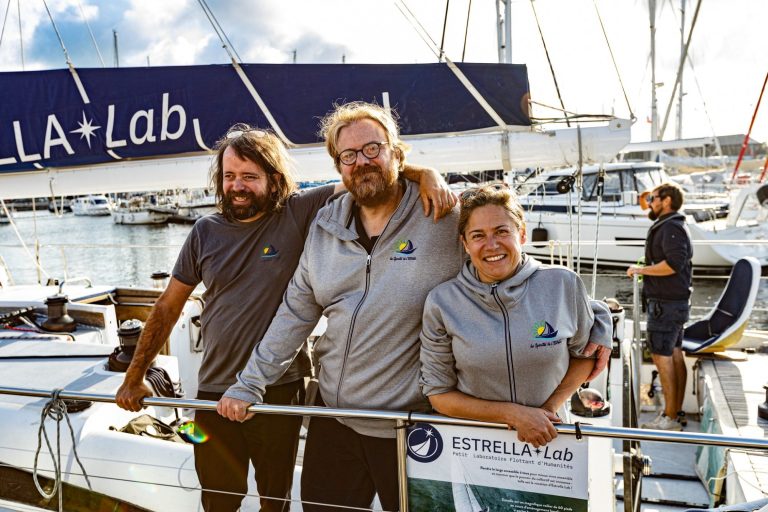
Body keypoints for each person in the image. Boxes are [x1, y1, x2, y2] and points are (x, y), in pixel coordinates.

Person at [218, 102, 613, 510]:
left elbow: (513, 269)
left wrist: (597, 318)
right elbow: (296, 314)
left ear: (396, 153)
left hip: (411, 427)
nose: (362, 162)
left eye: (373, 149)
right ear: (338, 166)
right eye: (349, 155)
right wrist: (251, 382)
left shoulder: (443, 217)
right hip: (333, 417)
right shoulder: (324, 228)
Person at [114, 123, 453, 512]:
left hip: (279, 390)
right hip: (212, 389)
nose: (237, 186)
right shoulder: (204, 231)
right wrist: (134, 376)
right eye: (228, 176)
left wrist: (426, 174)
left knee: (275, 499)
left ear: (274, 181)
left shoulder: (298, 211)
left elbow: (364, 174)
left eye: (249, 177)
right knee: (217, 498)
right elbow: (167, 308)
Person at [419, 185, 613, 448]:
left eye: (502, 231)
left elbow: (584, 356)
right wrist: (515, 415)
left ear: (521, 234)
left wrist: (547, 411)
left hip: (552, 440)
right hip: (473, 446)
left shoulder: (563, 283)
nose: (491, 245)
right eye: (478, 235)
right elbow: (439, 395)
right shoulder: (442, 302)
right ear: (465, 244)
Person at [627, 182, 692, 431]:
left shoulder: (671, 228)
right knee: (674, 354)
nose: (650, 202)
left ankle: (670, 417)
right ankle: (674, 413)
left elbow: (674, 264)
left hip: (666, 304)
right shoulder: (675, 225)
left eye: (653, 198)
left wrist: (641, 270)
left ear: (666, 201)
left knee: (662, 357)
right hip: (674, 303)